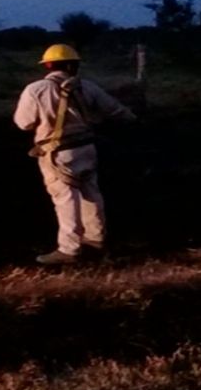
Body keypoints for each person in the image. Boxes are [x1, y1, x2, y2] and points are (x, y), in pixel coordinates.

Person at [14, 44, 137, 265]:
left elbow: (24, 123)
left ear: (48, 65)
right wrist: (135, 120)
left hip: (57, 153)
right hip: (87, 148)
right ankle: (96, 240)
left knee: (65, 198)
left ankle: (69, 250)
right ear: (74, 65)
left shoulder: (36, 89)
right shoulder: (88, 87)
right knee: (92, 193)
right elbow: (116, 110)